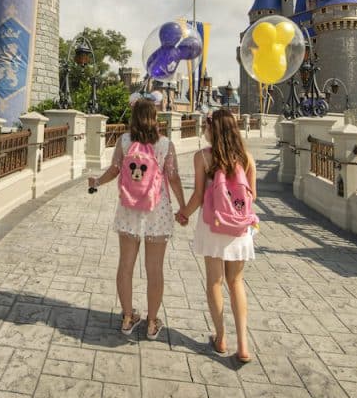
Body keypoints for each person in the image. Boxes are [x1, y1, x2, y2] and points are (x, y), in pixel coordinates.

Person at [87, 96, 185, 340]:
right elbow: (172, 178)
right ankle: (152, 323)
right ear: (154, 118)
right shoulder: (165, 145)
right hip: (157, 211)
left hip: (129, 209)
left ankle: (128, 317)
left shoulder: (123, 141)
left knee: (126, 266)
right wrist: (183, 207)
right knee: (155, 270)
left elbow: (114, 170)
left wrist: (97, 182)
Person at [175, 109, 257, 363]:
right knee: (236, 282)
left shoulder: (203, 157)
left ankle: (220, 337)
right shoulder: (246, 159)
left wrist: (183, 214)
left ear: (212, 129)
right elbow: (252, 195)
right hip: (238, 229)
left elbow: (199, 197)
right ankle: (243, 345)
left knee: (214, 281)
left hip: (213, 226)